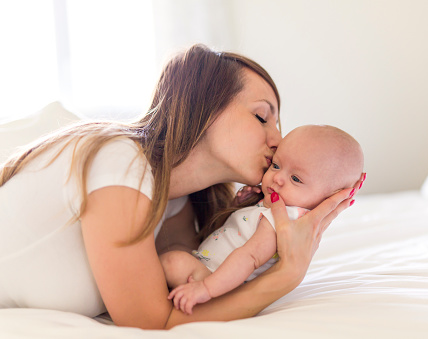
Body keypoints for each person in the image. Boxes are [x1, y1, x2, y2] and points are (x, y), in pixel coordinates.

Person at [0, 44, 365, 329]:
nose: (278, 140)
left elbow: (188, 296)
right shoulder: (120, 161)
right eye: (261, 116)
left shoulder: (177, 204)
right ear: (204, 107)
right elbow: (152, 321)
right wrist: (287, 276)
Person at [160, 125, 365, 315]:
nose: (277, 178)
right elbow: (231, 235)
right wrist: (240, 205)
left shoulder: (283, 220)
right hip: (211, 271)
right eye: (276, 165)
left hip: (218, 281)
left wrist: (206, 288)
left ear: (330, 196)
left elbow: (250, 257)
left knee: (172, 262)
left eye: (296, 179)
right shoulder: (273, 207)